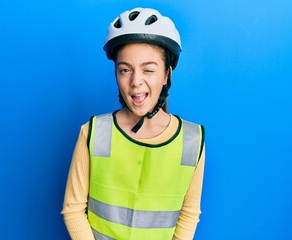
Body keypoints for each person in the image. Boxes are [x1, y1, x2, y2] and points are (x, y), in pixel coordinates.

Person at [61, 7, 205, 240]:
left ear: (167, 74)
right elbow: (73, 210)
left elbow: (189, 214)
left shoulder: (192, 140)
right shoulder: (93, 132)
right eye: (125, 70)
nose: (136, 82)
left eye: (149, 69)